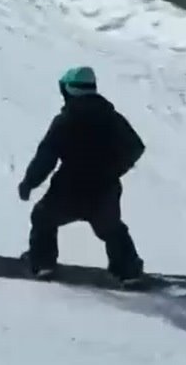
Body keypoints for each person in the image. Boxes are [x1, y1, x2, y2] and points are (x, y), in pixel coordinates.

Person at [17, 66, 146, 284]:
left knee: (42, 217)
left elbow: (46, 158)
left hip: (69, 189)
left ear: (68, 91)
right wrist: (114, 169)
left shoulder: (65, 121)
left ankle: (43, 263)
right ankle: (128, 270)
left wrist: (29, 183)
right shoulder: (113, 118)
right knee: (111, 228)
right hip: (104, 190)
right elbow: (135, 147)